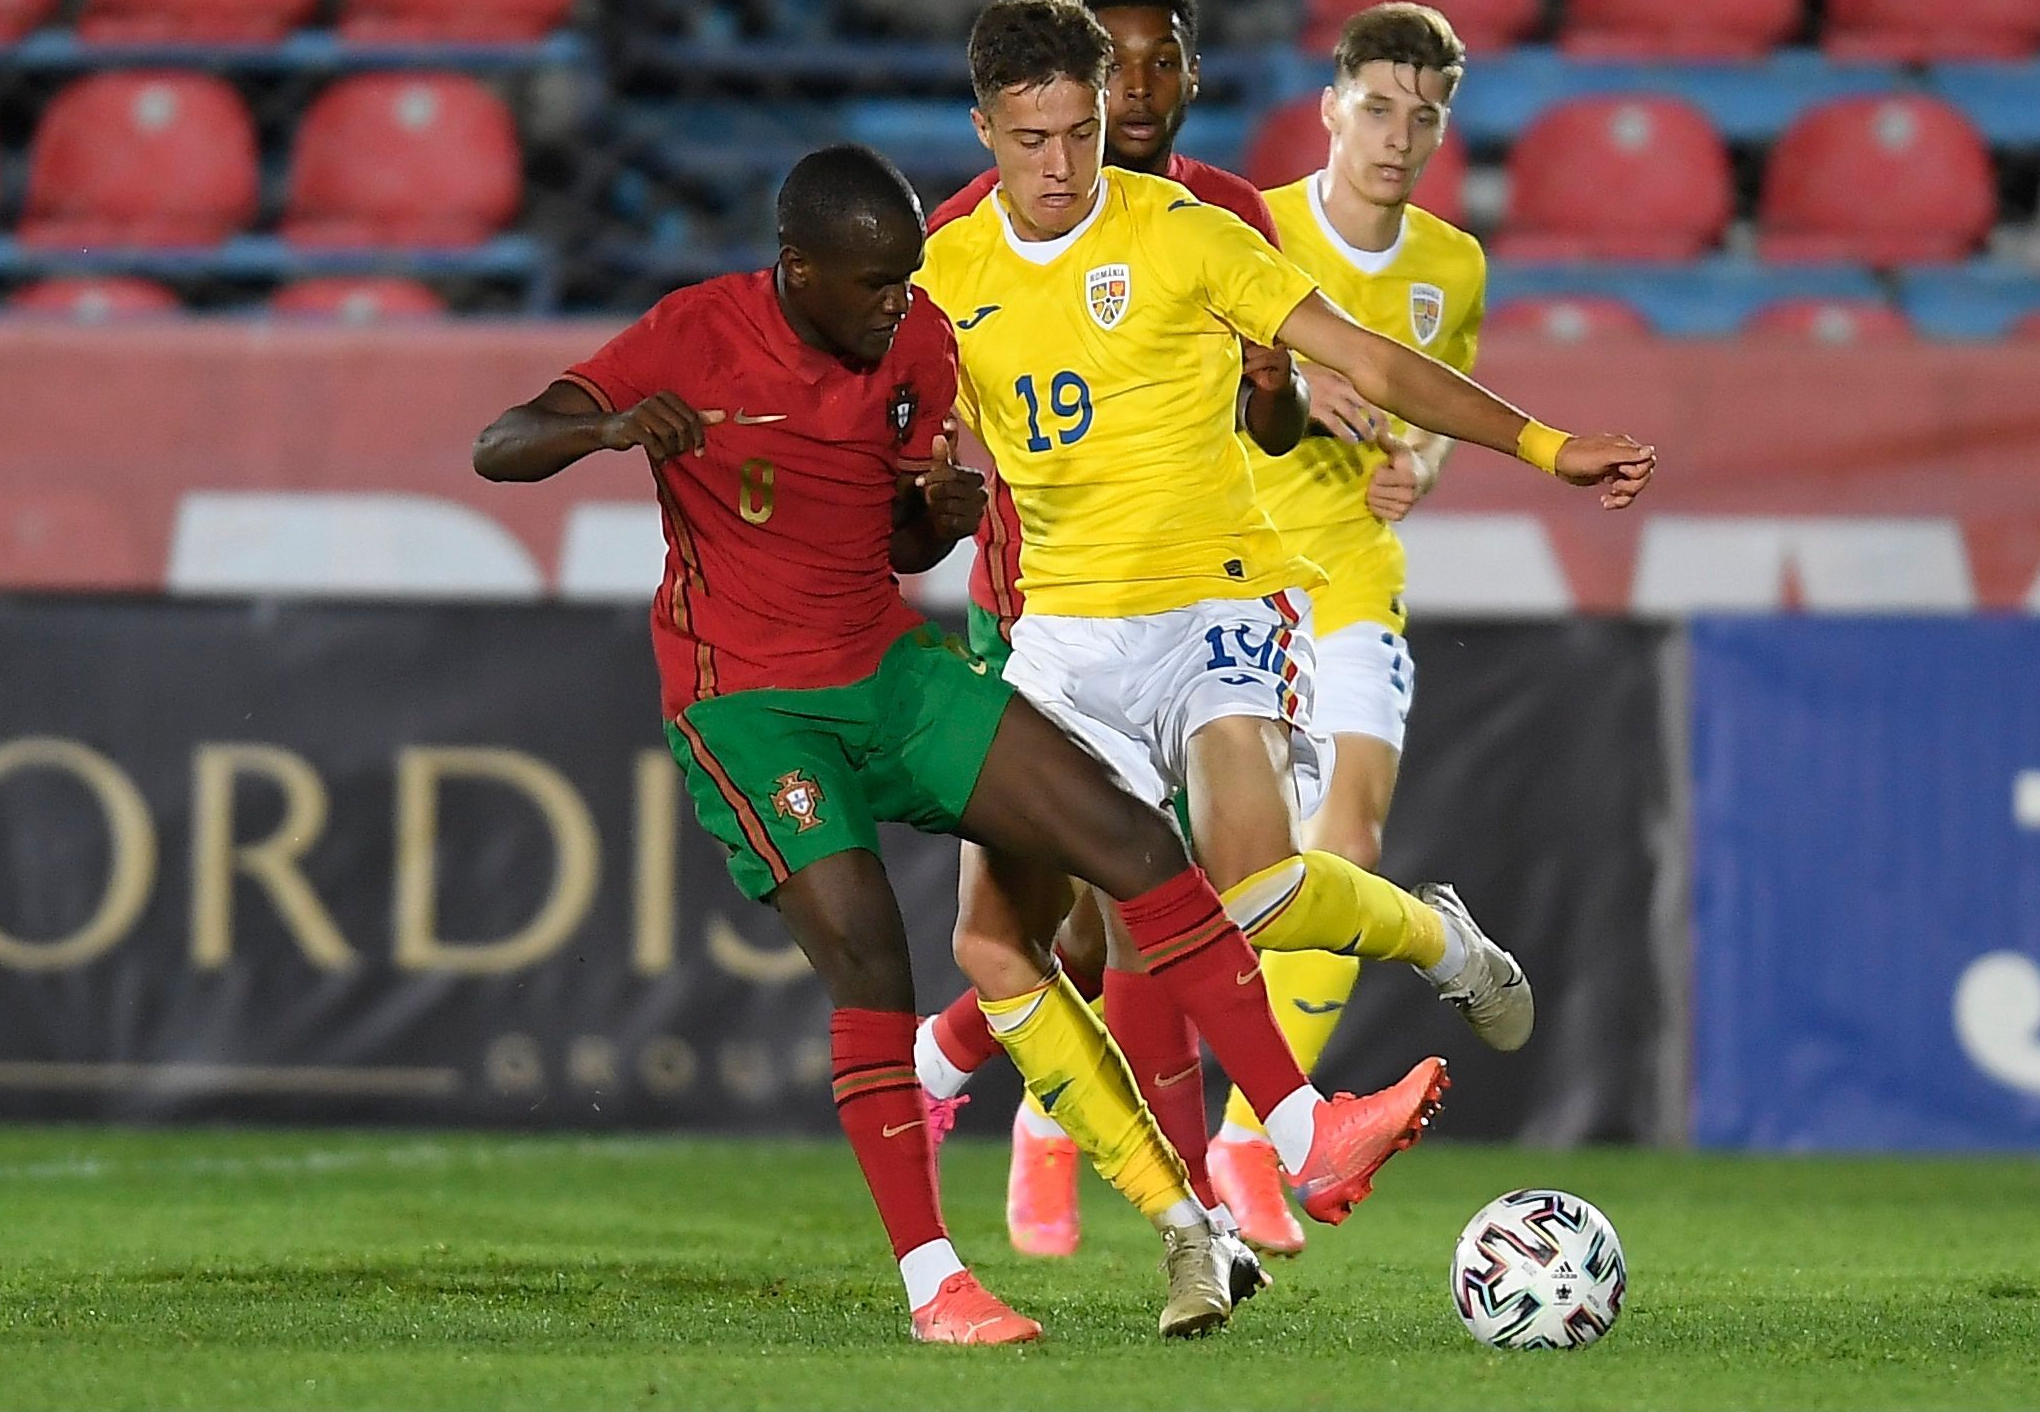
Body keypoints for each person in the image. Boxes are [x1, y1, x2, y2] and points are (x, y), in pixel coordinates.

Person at [471, 143, 1446, 1343]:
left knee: (1131, 838)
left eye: (904, 280)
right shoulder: (694, 333)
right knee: (873, 954)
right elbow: (500, 443)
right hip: (751, 701)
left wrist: (928, 520)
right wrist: (614, 426)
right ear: (797, 270)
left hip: (887, 671)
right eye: (874, 284)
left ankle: (1303, 1132)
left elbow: (891, 544)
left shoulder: (918, 344)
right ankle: (936, 1280)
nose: (898, 304)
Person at [910, 0, 1655, 1270]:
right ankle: (1397, 978)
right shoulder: (946, 271)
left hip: (1214, 603)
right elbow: (905, 439)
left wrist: (1542, 444)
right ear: (984, 130)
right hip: (1053, 639)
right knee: (1019, 936)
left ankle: (1246, 1156)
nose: (1061, 163)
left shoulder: (1193, 233)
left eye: (1080, 132)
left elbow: (1364, 358)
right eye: (1031, 139)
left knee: (1219, 894)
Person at [917, 0, 1307, 1260]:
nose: (1138, 88)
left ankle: (1184, 1193)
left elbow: (1280, 418)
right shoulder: (982, 227)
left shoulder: (1225, 212)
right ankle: (1066, 1128)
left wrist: (1275, 383)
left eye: (1161, 59)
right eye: (1115, 63)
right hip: (1029, 614)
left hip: (1181, 609)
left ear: (1193, 71)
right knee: (1077, 927)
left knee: (1160, 906)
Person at [1206, 2, 1488, 1257]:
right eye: (1376, 105)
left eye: (1422, 114)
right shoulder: (1250, 226)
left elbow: (1432, 416)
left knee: (1350, 840)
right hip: (1231, 575)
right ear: (1327, 106)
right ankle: (1057, 1127)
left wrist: (1415, 467)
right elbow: (1183, 375)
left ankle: (1248, 1142)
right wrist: (1287, 382)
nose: (1397, 134)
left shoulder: (1451, 266)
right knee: (1195, 878)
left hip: (1353, 580)